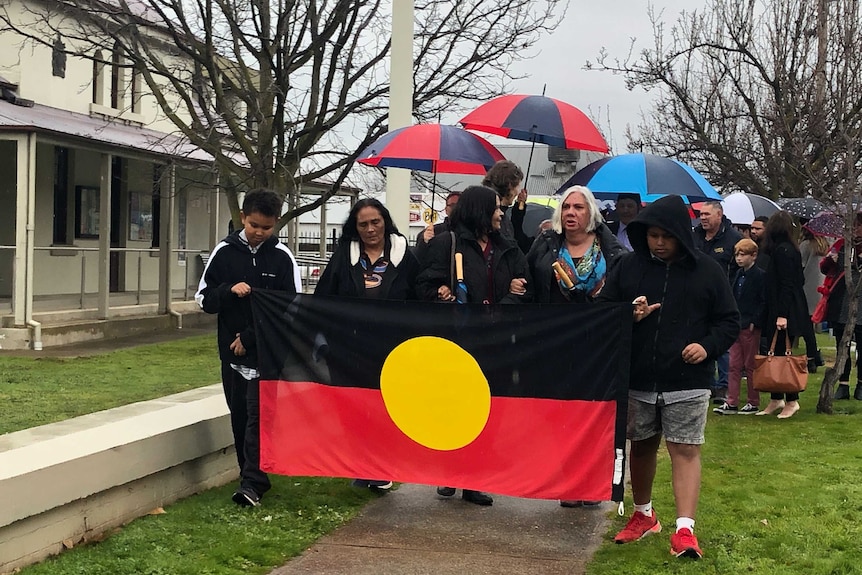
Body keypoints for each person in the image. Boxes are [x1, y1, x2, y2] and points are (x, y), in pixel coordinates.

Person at [598, 195, 739, 559]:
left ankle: (685, 529)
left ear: (681, 234)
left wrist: (707, 347)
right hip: (639, 376)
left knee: (685, 449)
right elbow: (602, 312)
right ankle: (643, 514)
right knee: (641, 445)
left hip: (688, 380)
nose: (658, 243)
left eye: (667, 236)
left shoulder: (708, 271)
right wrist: (628, 315)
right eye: (652, 235)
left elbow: (729, 321)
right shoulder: (628, 267)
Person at [417, 185, 531, 506]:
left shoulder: (507, 249)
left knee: (487, 412)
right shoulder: (445, 244)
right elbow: (423, 285)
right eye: (495, 208)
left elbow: (526, 287)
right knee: (454, 411)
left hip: (494, 344)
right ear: (480, 211)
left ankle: (474, 479)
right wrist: (440, 292)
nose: (500, 213)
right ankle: (450, 472)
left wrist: (508, 299)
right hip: (457, 341)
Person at [196, 189, 302, 507]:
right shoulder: (224, 253)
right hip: (232, 357)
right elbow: (204, 299)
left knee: (260, 417)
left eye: (266, 227)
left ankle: (253, 483)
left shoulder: (283, 258)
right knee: (240, 417)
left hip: (268, 355)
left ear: (276, 224)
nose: (259, 232)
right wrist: (229, 290)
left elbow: (291, 308)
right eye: (254, 224)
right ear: (243, 217)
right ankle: (250, 478)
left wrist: (251, 337)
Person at [527, 185, 625, 507]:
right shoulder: (545, 246)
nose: (571, 213)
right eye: (566, 207)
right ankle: (568, 483)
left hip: (597, 345)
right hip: (557, 343)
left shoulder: (611, 251)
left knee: (593, 415)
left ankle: (590, 483)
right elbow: (524, 275)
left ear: (591, 213)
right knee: (561, 415)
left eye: (578, 207)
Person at [315, 198, 421, 489]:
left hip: (391, 349)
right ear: (355, 227)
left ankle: (381, 467)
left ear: (385, 221)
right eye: (363, 224)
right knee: (352, 409)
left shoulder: (405, 257)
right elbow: (323, 299)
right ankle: (362, 465)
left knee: (384, 408)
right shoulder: (343, 258)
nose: (371, 229)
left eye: (375, 222)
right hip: (348, 349)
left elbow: (420, 300)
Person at [756, 211, 814, 418]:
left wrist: (782, 314)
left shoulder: (785, 251)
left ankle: (792, 400)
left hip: (785, 309)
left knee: (784, 355)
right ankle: (776, 397)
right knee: (776, 354)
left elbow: (788, 284)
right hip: (777, 307)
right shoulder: (782, 250)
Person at [694, 200, 743, 405]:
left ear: (719, 215)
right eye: (701, 214)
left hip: (724, 297)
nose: (703, 218)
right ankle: (707, 384)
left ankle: (723, 386)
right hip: (696, 297)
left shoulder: (733, 239)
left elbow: (740, 270)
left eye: (707, 214)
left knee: (723, 344)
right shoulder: (693, 236)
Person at [714, 239, 766, 415]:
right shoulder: (737, 275)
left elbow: (762, 300)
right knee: (733, 364)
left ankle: (753, 401)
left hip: (750, 325)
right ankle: (732, 400)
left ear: (754, 256)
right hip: (737, 323)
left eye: (743, 255)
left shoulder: (759, 276)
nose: (739, 258)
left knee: (750, 364)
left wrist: (755, 321)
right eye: (737, 254)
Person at [820, 215, 862, 400]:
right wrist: (830, 260)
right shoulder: (841, 244)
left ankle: (860, 384)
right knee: (842, 344)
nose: (855, 229)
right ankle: (843, 384)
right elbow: (824, 268)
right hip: (841, 300)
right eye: (854, 224)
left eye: (859, 225)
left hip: (860, 301)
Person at [482, 160, 531, 253]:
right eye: (517, 186)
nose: (518, 191)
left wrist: (519, 207)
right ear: (510, 185)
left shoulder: (487, 209)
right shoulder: (494, 216)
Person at [413, 191, 460, 264]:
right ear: (446, 210)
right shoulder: (434, 231)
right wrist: (424, 242)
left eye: (459, 205)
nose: (456, 209)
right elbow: (418, 259)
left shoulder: (474, 233)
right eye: (452, 205)